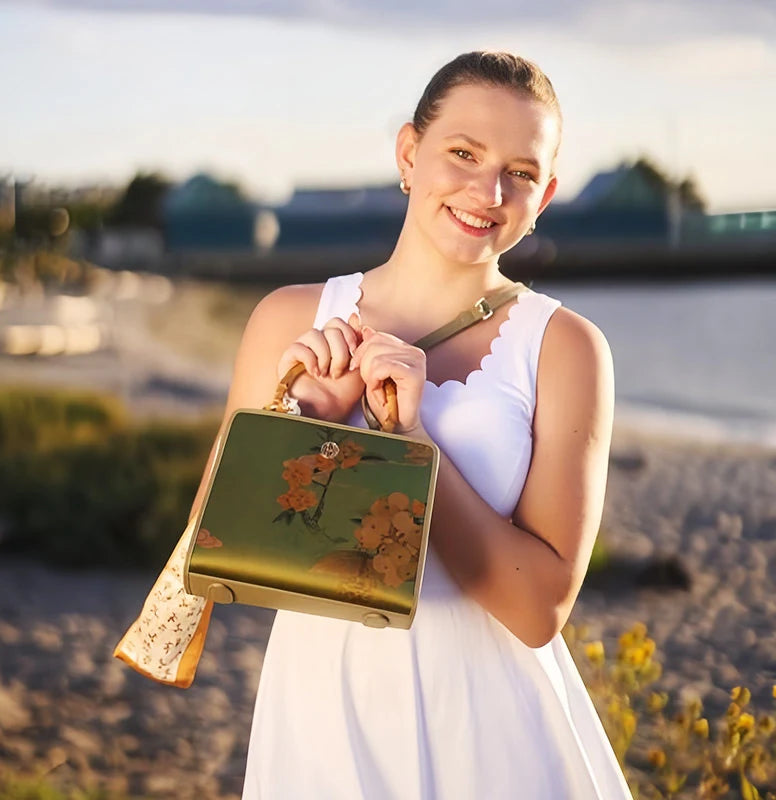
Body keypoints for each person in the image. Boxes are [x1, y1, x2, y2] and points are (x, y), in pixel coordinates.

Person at [191, 50, 631, 799]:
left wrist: (410, 448)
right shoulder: (288, 321)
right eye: (463, 152)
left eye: (520, 172)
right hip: (324, 717)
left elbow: (538, 610)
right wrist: (321, 435)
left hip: (491, 729)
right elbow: (218, 560)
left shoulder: (565, 348)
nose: (487, 189)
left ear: (546, 195)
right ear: (408, 152)